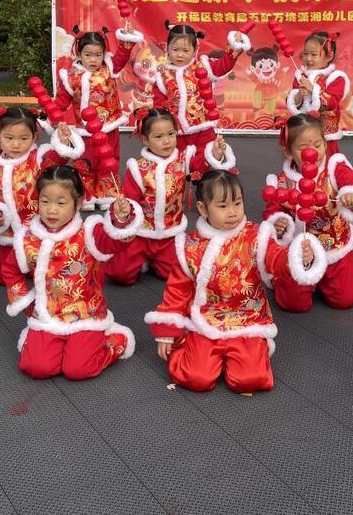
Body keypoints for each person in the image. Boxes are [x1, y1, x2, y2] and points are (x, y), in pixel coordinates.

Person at [144, 170, 325, 394]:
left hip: (247, 320)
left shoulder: (256, 236)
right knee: (196, 379)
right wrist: (167, 331)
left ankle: (244, 355)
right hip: (206, 322)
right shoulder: (189, 247)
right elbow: (177, 291)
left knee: (252, 380)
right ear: (202, 208)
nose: (233, 212)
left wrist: (296, 256)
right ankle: (189, 346)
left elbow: (276, 259)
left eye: (237, 203)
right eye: (222, 206)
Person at [0, 165, 141, 381]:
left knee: (78, 370)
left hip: (86, 316)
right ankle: (41, 342)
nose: (51, 210)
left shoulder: (89, 233)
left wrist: (120, 220)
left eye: (61, 203)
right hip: (47, 317)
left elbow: (114, 241)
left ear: (79, 202)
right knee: (36, 368)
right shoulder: (27, 238)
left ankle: (115, 338)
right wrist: (26, 303)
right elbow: (10, 269)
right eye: (45, 201)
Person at [106, 108, 236, 286]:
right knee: (119, 274)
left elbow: (200, 165)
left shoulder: (183, 160)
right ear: (145, 139)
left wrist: (215, 154)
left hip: (170, 234)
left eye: (171, 134)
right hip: (141, 235)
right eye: (158, 136)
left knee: (174, 274)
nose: (166, 141)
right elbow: (130, 199)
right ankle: (140, 258)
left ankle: (155, 260)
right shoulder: (137, 168)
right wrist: (124, 209)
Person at [263, 113, 353, 312]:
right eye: (303, 148)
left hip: (335, 248)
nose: (313, 152)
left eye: (318, 144)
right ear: (288, 152)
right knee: (293, 304)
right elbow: (273, 210)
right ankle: (285, 278)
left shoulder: (334, 168)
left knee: (346, 300)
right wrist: (279, 222)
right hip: (302, 253)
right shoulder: (282, 182)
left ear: (325, 143)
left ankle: (346, 271)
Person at [0, 105, 84, 285]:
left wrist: (64, 141)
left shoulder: (39, 158)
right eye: (9, 138)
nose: (16, 144)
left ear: (34, 137)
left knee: (48, 271)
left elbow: (58, 158)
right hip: (8, 232)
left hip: (38, 228)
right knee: (1, 276)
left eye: (23, 138)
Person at [54, 22, 143, 207]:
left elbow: (122, 56)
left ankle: (106, 194)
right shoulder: (71, 76)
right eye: (88, 55)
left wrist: (126, 39)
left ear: (103, 54)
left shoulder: (109, 67)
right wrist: (51, 115)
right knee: (85, 163)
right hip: (84, 131)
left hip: (108, 127)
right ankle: (87, 195)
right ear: (79, 54)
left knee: (107, 161)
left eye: (98, 55)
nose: (93, 59)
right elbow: (62, 100)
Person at [152, 22, 252, 153]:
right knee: (178, 160)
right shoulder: (163, 77)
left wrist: (234, 46)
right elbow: (158, 106)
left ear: (195, 50)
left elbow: (223, 66)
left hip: (204, 128)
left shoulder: (203, 67)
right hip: (176, 132)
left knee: (206, 157)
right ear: (168, 49)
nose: (180, 54)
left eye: (185, 50)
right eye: (175, 50)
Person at [286, 31, 348, 155]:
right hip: (304, 131)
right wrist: (299, 94)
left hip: (325, 134)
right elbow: (294, 104)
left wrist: (313, 90)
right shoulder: (300, 76)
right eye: (306, 53)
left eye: (314, 55)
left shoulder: (335, 77)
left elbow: (332, 102)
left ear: (329, 56)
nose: (308, 58)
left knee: (328, 161)